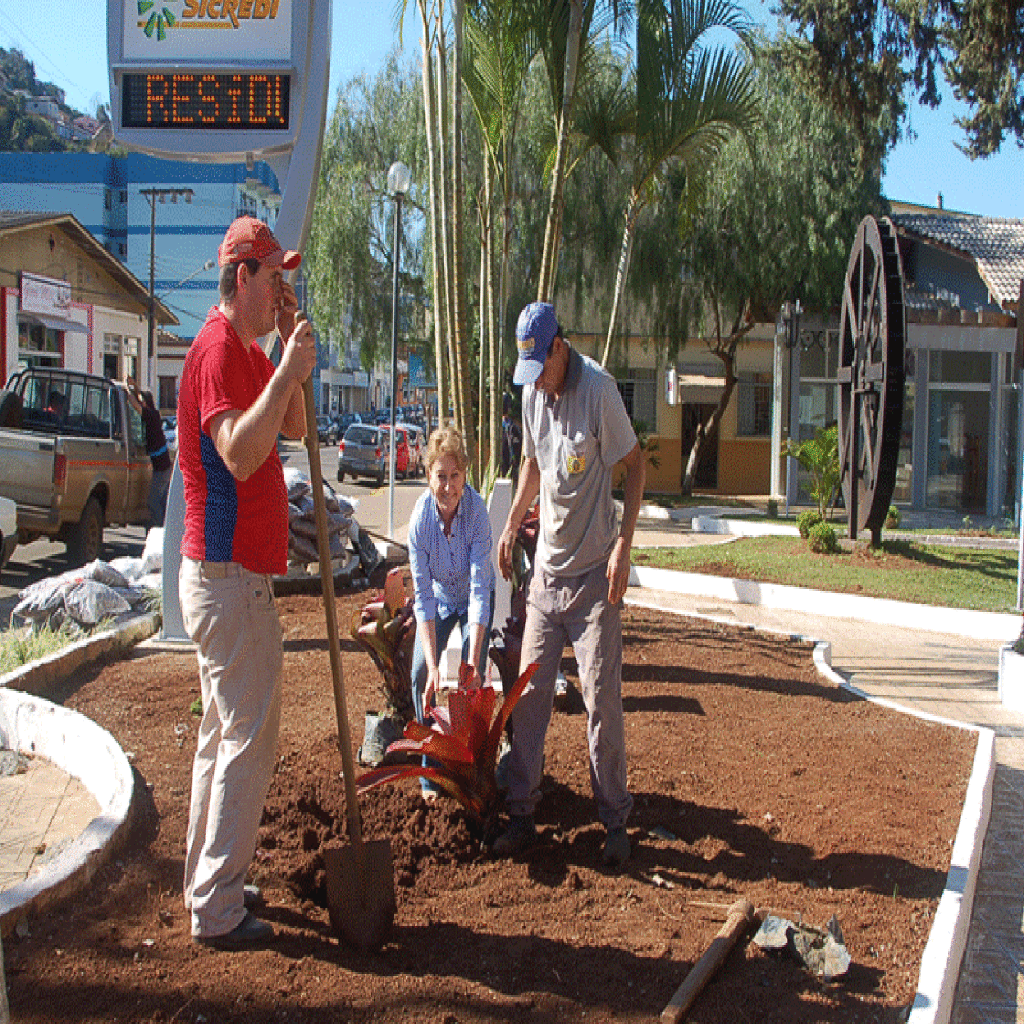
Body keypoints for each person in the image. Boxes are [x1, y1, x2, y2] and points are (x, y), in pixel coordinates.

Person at [176, 216, 317, 950]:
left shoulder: (248, 351)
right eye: (272, 274)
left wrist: (292, 362)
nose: (281, 285)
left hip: (230, 578)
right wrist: (286, 367)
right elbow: (237, 451)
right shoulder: (216, 350)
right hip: (227, 580)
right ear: (241, 278)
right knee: (247, 742)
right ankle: (218, 906)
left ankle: (210, 879)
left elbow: (289, 426)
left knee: (219, 737)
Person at [493, 301, 646, 867]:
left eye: (542, 367)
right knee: (529, 697)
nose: (537, 384)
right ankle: (521, 815)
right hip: (546, 578)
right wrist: (512, 525)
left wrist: (624, 547)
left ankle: (614, 821)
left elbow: (635, 465)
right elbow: (532, 464)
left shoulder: (599, 390)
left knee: (601, 700)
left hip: (593, 584)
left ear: (558, 347)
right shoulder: (536, 393)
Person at [408, 426, 495, 800]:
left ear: (465, 476)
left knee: (472, 684)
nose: (448, 487)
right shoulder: (420, 523)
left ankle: (473, 770)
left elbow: (479, 593)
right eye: (440, 477)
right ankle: (431, 776)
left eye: (455, 476)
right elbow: (423, 598)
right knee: (417, 675)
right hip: (440, 601)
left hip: (471, 602)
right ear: (429, 477)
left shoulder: (477, 514)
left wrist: (472, 660)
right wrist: (431, 665)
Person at [125, 380, 172, 527]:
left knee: (153, 501)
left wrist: (126, 390)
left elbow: (136, 405)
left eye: (143, 402)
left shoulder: (150, 416)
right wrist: (135, 387)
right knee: (162, 501)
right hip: (163, 466)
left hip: (162, 468)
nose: (142, 403)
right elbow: (140, 400)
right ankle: (162, 527)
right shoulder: (154, 414)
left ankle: (157, 529)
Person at [500, 397, 522, 491]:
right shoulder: (501, 425)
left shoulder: (512, 426)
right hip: (503, 461)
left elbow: (519, 442)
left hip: (512, 462)